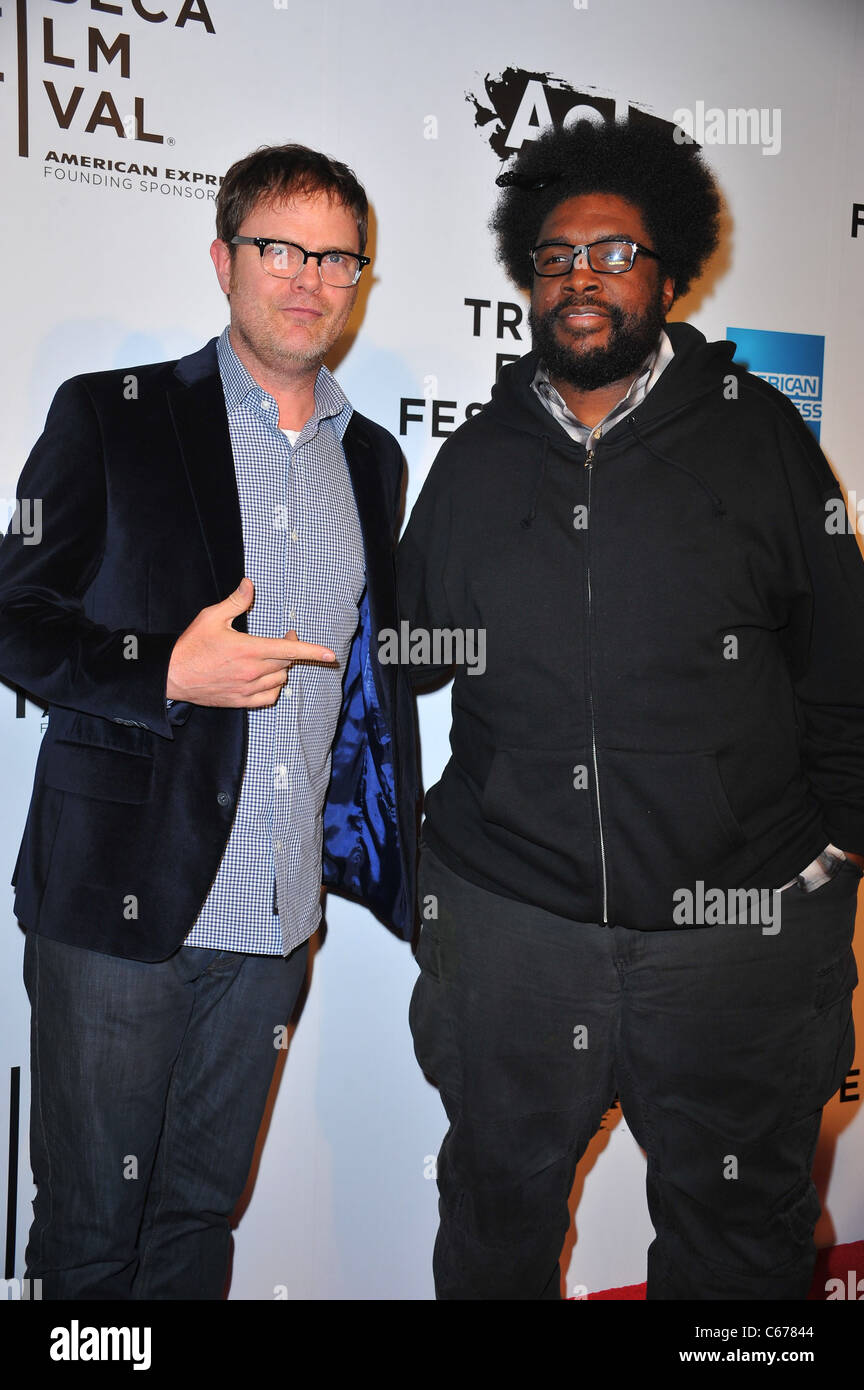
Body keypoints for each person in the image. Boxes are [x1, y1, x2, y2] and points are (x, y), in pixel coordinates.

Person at [398, 118, 864, 1300]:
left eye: (613, 253)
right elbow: (404, 660)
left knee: (740, 1250)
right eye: (556, 258)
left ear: (668, 274)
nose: (581, 278)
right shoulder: (481, 459)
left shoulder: (762, 441)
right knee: (494, 1228)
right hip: (516, 931)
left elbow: (844, 669)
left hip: (732, 941)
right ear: (528, 281)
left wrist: (835, 862)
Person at [0, 143, 418, 1300]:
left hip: (277, 925)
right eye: (279, 247)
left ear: (359, 277)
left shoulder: (373, 460)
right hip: (122, 913)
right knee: (90, 1235)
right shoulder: (113, 416)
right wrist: (162, 670)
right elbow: (12, 618)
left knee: (197, 1223)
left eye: (336, 255)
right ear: (224, 260)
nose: (307, 277)